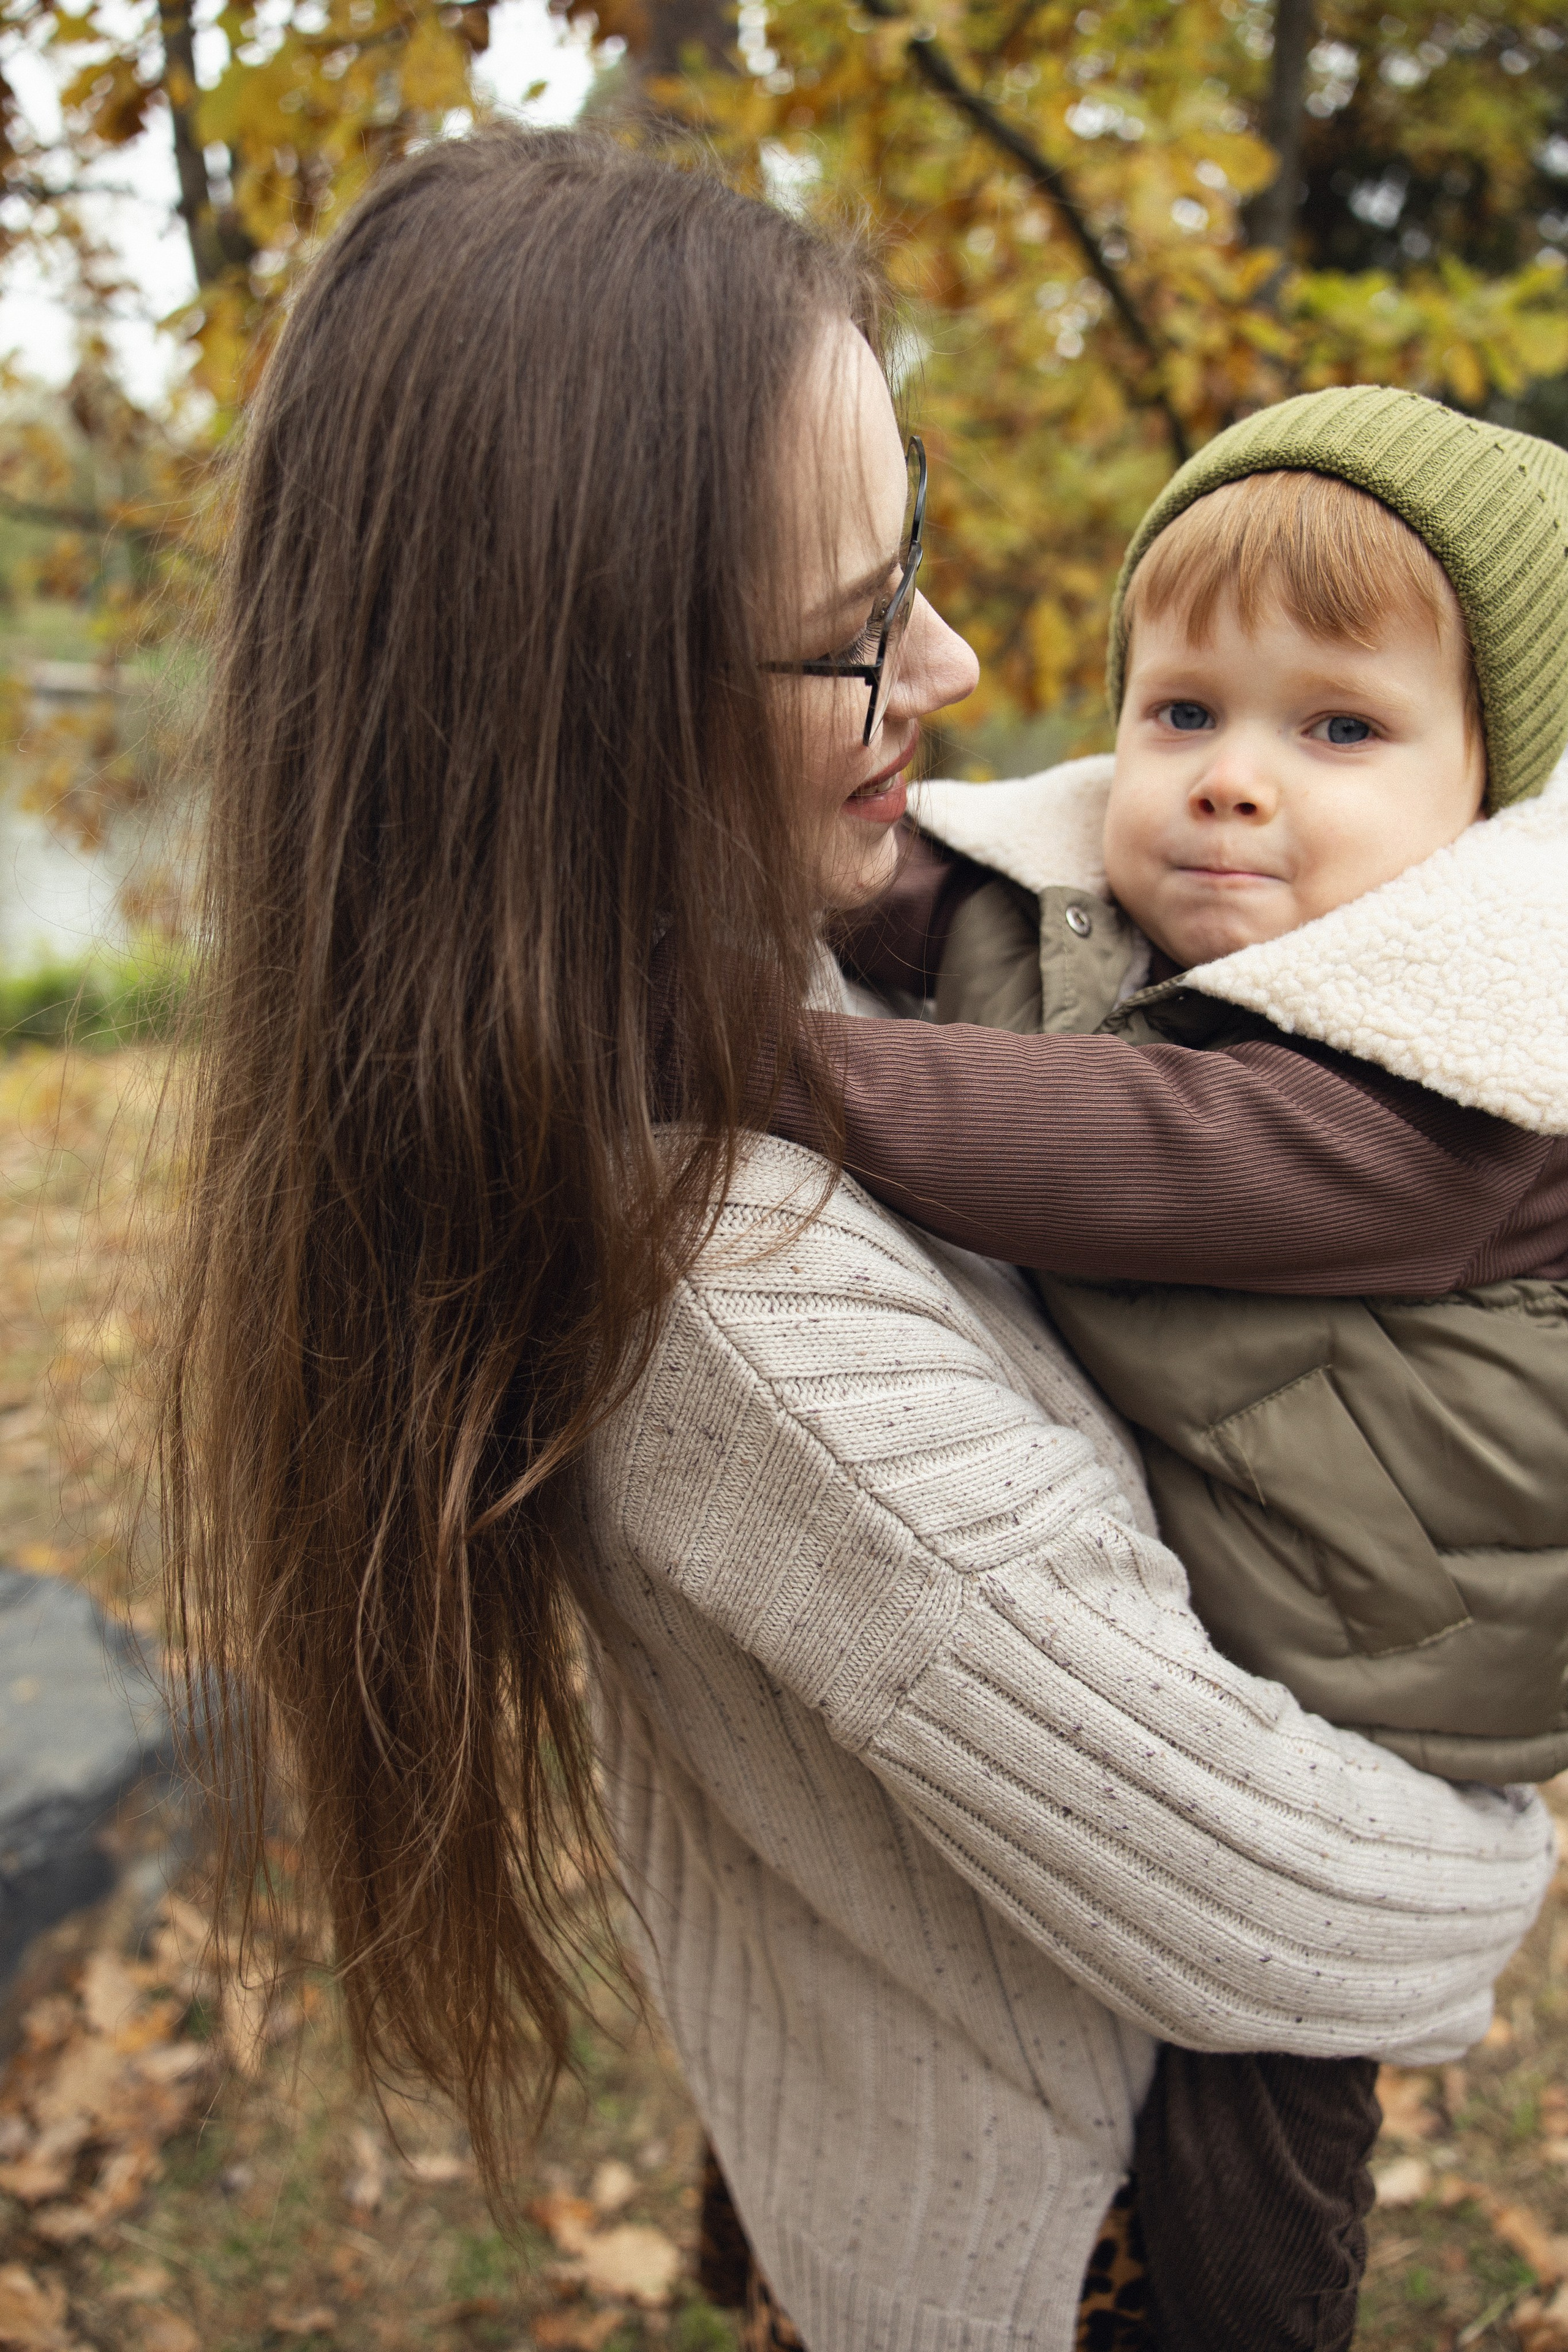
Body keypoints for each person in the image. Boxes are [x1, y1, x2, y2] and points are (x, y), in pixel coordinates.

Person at [159, 132, 1555, 2352]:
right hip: (1061, 2255)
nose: (962, 660)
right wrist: (1508, 1814)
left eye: (917, 564)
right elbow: (1324, 1923)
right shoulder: (725, 1274)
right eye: (852, 633)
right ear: (579, 697)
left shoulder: (739, 982)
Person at [770, 384, 1568, 2348]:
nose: (1231, 781)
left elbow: (1152, 1143)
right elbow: (916, 904)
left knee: (1250, 2095)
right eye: (1185, 710)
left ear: (1495, 790)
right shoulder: (1116, 913)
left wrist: (744, 1053)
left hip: (1390, 1666)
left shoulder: (1466, 1080)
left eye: (1340, 730)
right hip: (1209, 1594)